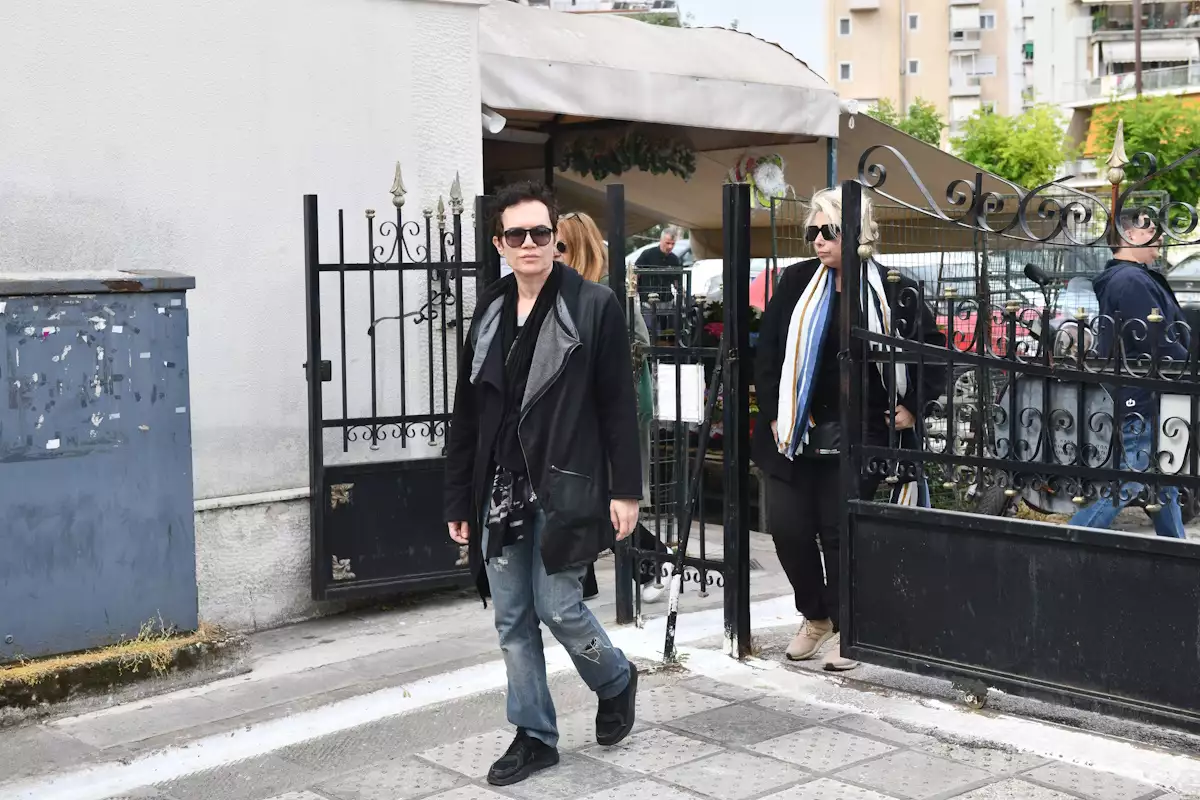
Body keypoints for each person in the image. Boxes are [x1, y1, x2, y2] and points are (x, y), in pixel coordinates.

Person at [444, 182, 641, 786]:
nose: (529, 243)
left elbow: (618, 406)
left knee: (558, 606)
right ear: (499, 244)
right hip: (498, 492)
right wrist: (457, 497)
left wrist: (625, 490)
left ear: (556, 238)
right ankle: (534, 735)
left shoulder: (593, 305)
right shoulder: (489, 311)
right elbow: (467, 412)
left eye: (540, 232)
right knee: (512, 619)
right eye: (516, 234)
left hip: (565, 486)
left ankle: (614, 677)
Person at [752, 187, 946, 671]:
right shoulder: (797, 281)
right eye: (813, 231)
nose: (819, 240)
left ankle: (848, 627)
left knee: (840, 532)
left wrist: (913, 406)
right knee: (788, 529)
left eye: (830, 231)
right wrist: (776, 412)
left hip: (863, 430)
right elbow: (769, 350)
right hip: (797, 430)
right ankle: (816, 617)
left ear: (858, 232)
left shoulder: (893, 288)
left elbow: (932, 351)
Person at [556, 211, 673, 603]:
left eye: (560, 244)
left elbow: (635, 347)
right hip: (577, 413)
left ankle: (654, 560)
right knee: (580, 493)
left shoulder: (607, 291)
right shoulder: (565, 291)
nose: (551, 252)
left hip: (609, 411)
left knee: (600, 495)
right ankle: (585, 579)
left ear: (578, 246)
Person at [1069, 211, 1187, 539]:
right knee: (1132, 477)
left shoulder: (1130, 277)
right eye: (1151, 230)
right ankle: (1069, 540)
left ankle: (1177, 551)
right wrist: (1187, 366)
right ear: (1129, 235)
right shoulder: (1131, 280)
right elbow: (1155, 340)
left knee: (1165, 479)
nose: (1159, 237)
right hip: (1144, 392)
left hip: (1149, 390)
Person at [635, 227, 682, 302]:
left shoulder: (674, 259)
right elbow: (636, 273)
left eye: (673, 244)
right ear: (661, 241)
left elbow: (677, 282)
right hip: (647, 299)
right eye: (667, 243)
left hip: (666, 300)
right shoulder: (647, 254)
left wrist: (682, 296)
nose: (670, 246)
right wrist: (635, 294)